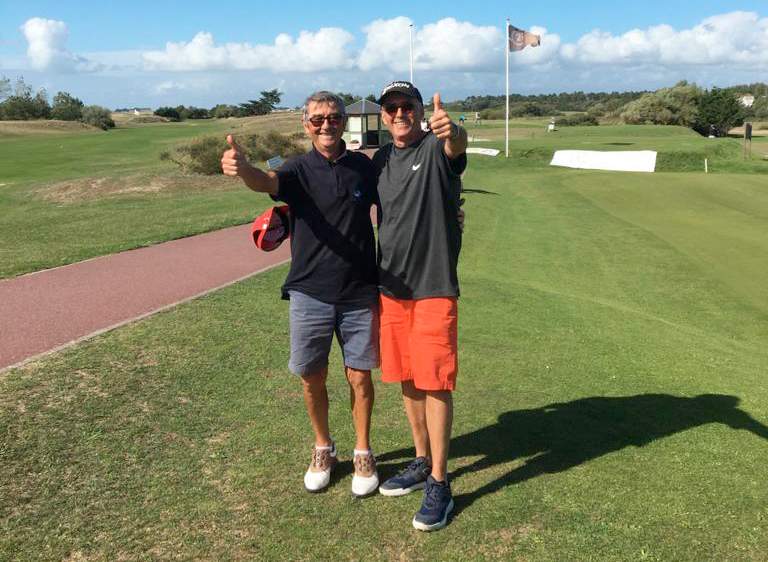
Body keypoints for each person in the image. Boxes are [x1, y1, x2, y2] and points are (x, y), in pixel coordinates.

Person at [220, 91, 380, 497]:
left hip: (360, 290)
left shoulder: (364, 167)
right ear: (305, 125)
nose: (326, 125)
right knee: (312, 377)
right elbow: (265, 182)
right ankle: (323, 447)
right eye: (317, 119)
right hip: (310, 292)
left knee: (360, 377)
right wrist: (243, 169)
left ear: (344, 121)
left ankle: (363, 451)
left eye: (333, 117)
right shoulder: (296, 169)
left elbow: (398, 202)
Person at [372, 81, 468, 531]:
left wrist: (454, 131)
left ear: (418, 110)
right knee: (407, 378)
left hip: (433, 287)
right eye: (390, 108)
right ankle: (420, 457)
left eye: (406, 106)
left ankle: (440, 482)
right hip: (392, 289)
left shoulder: (435, 148)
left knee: (435, 381)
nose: (398, 113)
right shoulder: (380, 160)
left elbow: (457, 149)